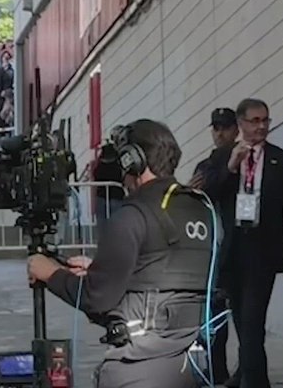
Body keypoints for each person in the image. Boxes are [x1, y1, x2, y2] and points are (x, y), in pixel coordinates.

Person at [27, 119, 216, 388]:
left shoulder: (132, 215)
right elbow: (166, 272)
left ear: (133, 161)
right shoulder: (202, 209)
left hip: (138, 367)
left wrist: (49, 273)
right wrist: (101, 268)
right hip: (193, 366)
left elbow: (96, 297)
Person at [197, 98, 283, 388]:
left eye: (265, 121)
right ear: (241, 124)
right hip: (233, 250)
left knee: (253, 321)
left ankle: (252, 381)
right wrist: (230, 168)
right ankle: (252, 376)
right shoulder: (221, 157)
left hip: (263, 249)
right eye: (254, 121)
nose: (260, 127)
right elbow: (207, 196)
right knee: (244, 324)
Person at [190, 107, 241, 386]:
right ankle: (217, 368)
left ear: (236, 129)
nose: (220, 133)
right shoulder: (207, 165)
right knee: (215, 314)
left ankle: (246, 370)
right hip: (215, 251)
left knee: (246, 318)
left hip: (239, 248)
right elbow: (197, 195)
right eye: (216, 128)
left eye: (225, 127)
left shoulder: (244, 161)